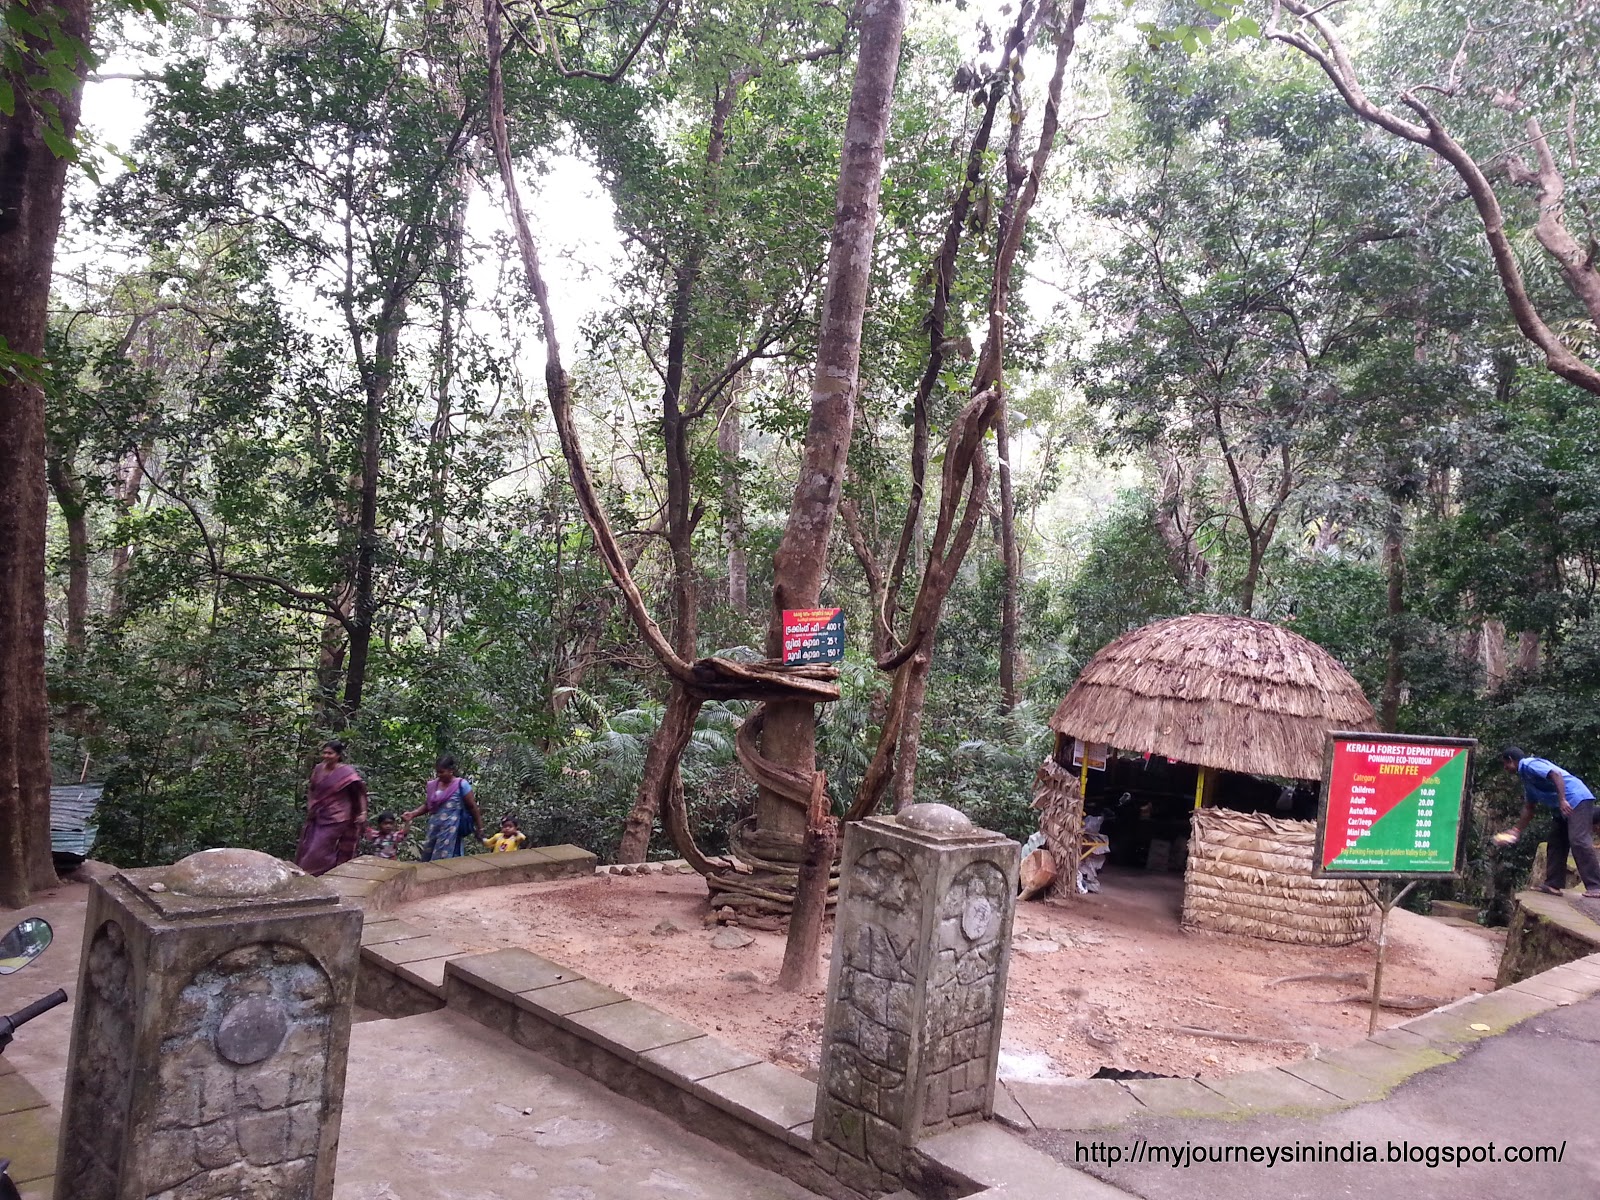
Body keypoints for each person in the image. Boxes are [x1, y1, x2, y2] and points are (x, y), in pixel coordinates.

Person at [1497, 746, 1600, 898]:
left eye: (1505, 764)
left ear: (1511, 760)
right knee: (1556, 842)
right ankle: (1553, 885)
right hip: (1561, 809)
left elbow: (1555, 774)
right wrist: (1516, 830)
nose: (1505, 769)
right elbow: (1529, 808)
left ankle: (1596, 886)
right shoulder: (1526, 779)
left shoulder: (1529, 764)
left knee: (1578, 840)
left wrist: (1563, 799)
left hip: (1576, 800)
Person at [295, 741, 368, 876]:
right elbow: (312, 788)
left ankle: (309, 875)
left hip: (338, 816)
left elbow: (359, 793)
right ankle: (323, 872)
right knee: (309, 845)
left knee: (318, 847)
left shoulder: (346, 772)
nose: (326, 756)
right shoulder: (318, 769)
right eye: (324, 752)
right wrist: (311, 805)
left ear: (338, 755)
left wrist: (363, 812)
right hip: (318, 814)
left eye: (330, 753)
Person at [404, 755, 482, 861]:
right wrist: (413, 813)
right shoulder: (434, 785)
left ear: (451, 770)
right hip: (434, 828)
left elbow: (472, 806)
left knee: (445, 858)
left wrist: (479, 827)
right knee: (428, 856)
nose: (439, 775)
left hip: (451, 829)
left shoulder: (461, 785)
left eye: (442, 772)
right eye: (438, 772)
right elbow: (428, 805)